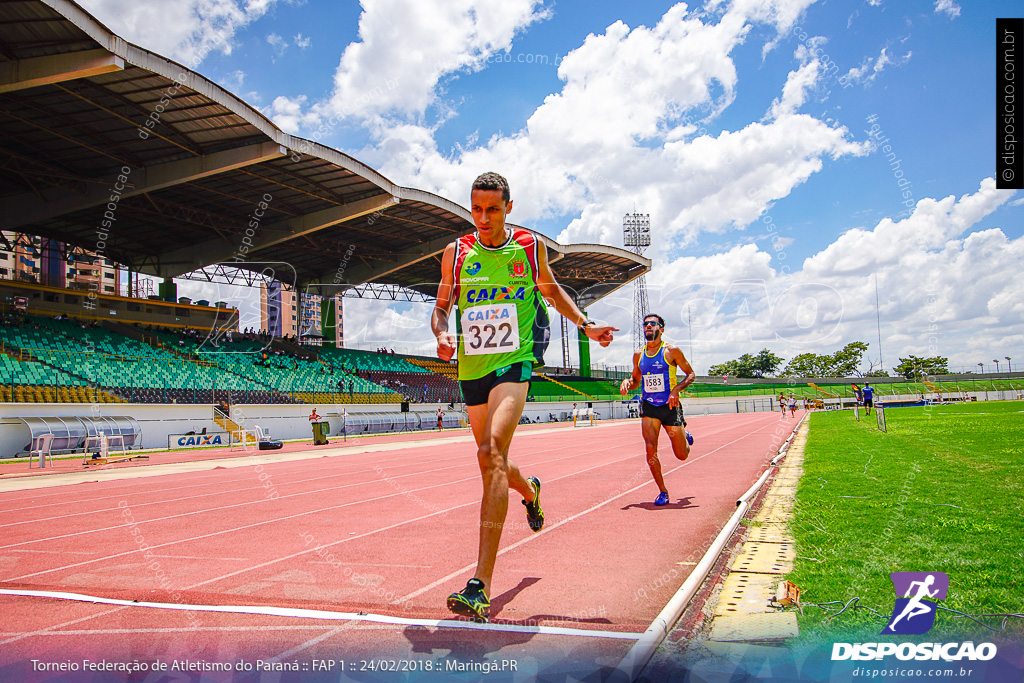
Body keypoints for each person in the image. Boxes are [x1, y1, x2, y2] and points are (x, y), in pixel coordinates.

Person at [432, 171, 616, 620]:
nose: (483, 218)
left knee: (491, 452)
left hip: (514, 363)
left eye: (492, 209)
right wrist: (441, 335)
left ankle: (480, 584)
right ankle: (530, 490)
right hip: (471, 369)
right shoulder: (456, 253)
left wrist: (585, 324)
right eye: (476, 209)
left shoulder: (529, 247)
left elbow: (551, 291)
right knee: (487, 456)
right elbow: (441, 308)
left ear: (508, 208)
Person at [619, 313, 695, 507]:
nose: (648, 327)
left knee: (682, 455)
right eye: (645, 324)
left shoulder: (671, 351)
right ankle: (662, 491)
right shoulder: (639, 354)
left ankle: (684, 435)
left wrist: (677, 390)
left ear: (661, 329)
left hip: (670, 407)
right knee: (650, 448)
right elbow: (636, 381)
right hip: (649, 406)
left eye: (652, 324)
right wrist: (628, 382)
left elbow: (690, 374)